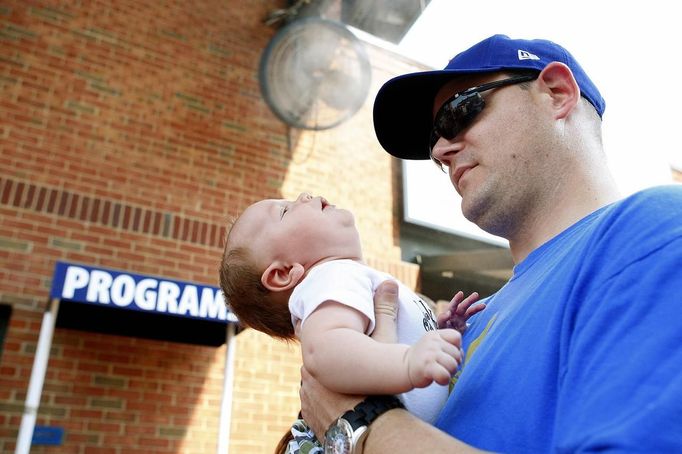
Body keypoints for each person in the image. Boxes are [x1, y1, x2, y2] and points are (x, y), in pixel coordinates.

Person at [299, 34, 682, 453]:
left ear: (556, 94)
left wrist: (361, 428)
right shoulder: (468, 328)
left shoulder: (656, 231)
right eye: (433, 143)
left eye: (458, 112)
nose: (442, 151)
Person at [218, 193, 484, 452]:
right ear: (284, 272)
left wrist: (442, 329)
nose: (303, 195)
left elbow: (390, 337)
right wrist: (407, 361)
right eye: (285, 211)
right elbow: (325, 352)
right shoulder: (328, 277)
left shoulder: (349, 280)